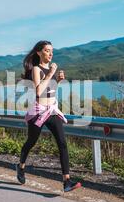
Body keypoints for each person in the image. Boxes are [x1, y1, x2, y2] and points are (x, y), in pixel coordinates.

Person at [18, 40, 82, 192]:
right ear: (39, 53)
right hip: (39, 111)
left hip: (52, 109)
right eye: (47, 50)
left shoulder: (50, 70)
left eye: (52, 51)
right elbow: (39, 91)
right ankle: (20, 166)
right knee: (31, 141)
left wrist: (57, 81)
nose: (50, 53)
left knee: (62, 143)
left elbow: (50, 89)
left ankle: (66, 181)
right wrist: (52, 73)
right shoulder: (36, 69)